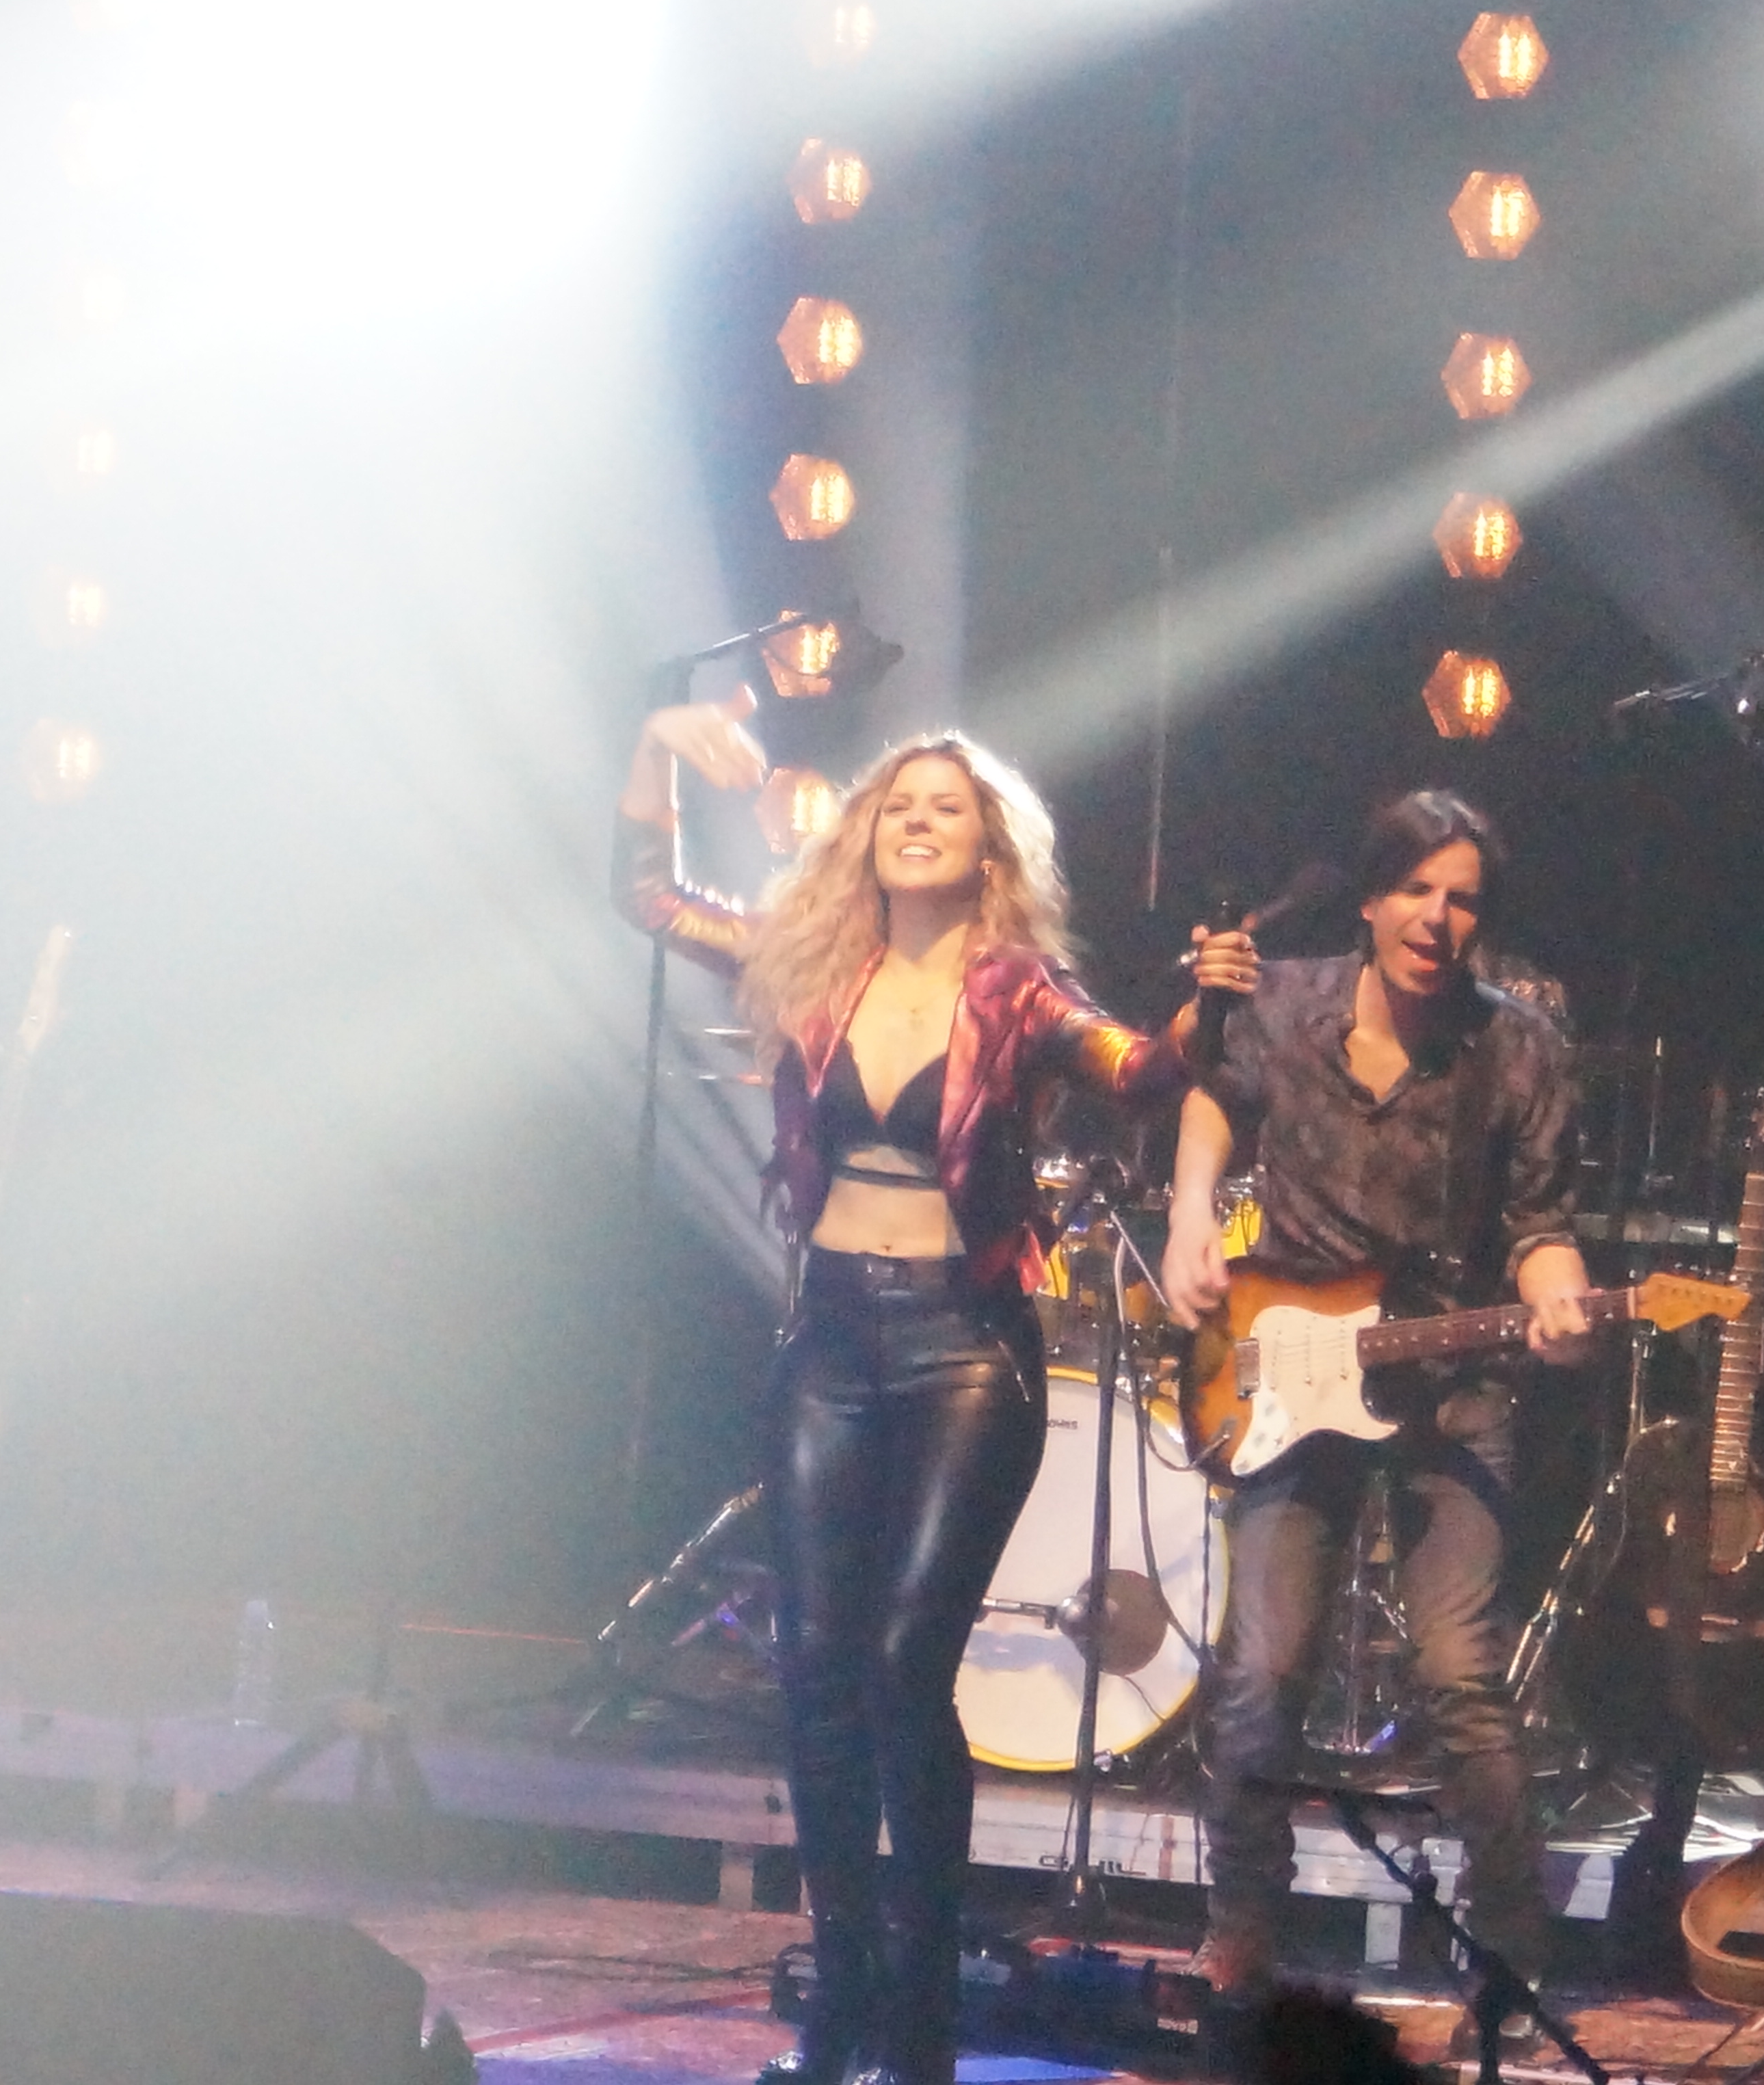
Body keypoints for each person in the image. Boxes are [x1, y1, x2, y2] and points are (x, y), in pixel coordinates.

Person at [617, 692, 1190, 2085]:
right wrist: (653, 747)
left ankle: (922, 2023)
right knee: (814, 1668)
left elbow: (1143, 1071)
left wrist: (1211, 1004)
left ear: (989, 845)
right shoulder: (809, 965)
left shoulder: (1019, 992)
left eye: (948, 806)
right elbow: (648, 898)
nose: (919, 819)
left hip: (963, 1350)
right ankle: (844, 2005)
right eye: (898, 803)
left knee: (900, 1661)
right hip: (828, 1341)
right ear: (862, 835)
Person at [1160, 789, 1590, 2026]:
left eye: (1463, 901)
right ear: (1370, 899)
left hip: (1451, 1385)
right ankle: (1241, 1934)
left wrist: (1558, 1303)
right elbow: (1211, 1088)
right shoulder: (1284, 1002)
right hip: (1286, 1367)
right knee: (1263, 1670)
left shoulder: (1519, 1050)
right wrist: (1192, 1213)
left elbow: (1542, 1228)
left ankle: (1508, 1960)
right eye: (1416, 891)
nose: (1437, 919)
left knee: (1461, 1674)